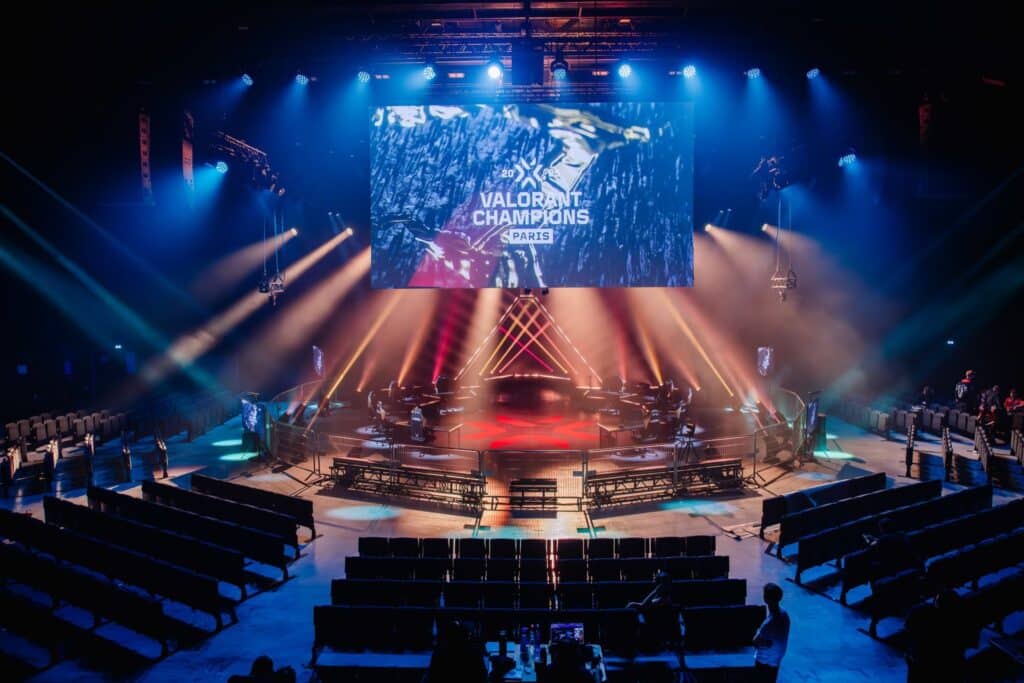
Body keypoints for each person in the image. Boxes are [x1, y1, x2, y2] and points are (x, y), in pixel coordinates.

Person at [905, 589, 969, 682]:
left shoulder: (918, 614)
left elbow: (908, 628)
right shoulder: (960, 622)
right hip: (952, 667)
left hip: (923, 665)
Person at [422, 620, 487, 683]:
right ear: (467, 637)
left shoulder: (439, 654)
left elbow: (432, 677)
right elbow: (482, 677)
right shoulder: (475, 654)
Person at [752, 583, 790, 682]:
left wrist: (758, 631)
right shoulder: (785, 614)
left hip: (763, 661)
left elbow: (755, 642)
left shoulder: (768, 624)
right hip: (776, 659)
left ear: (765, 599)